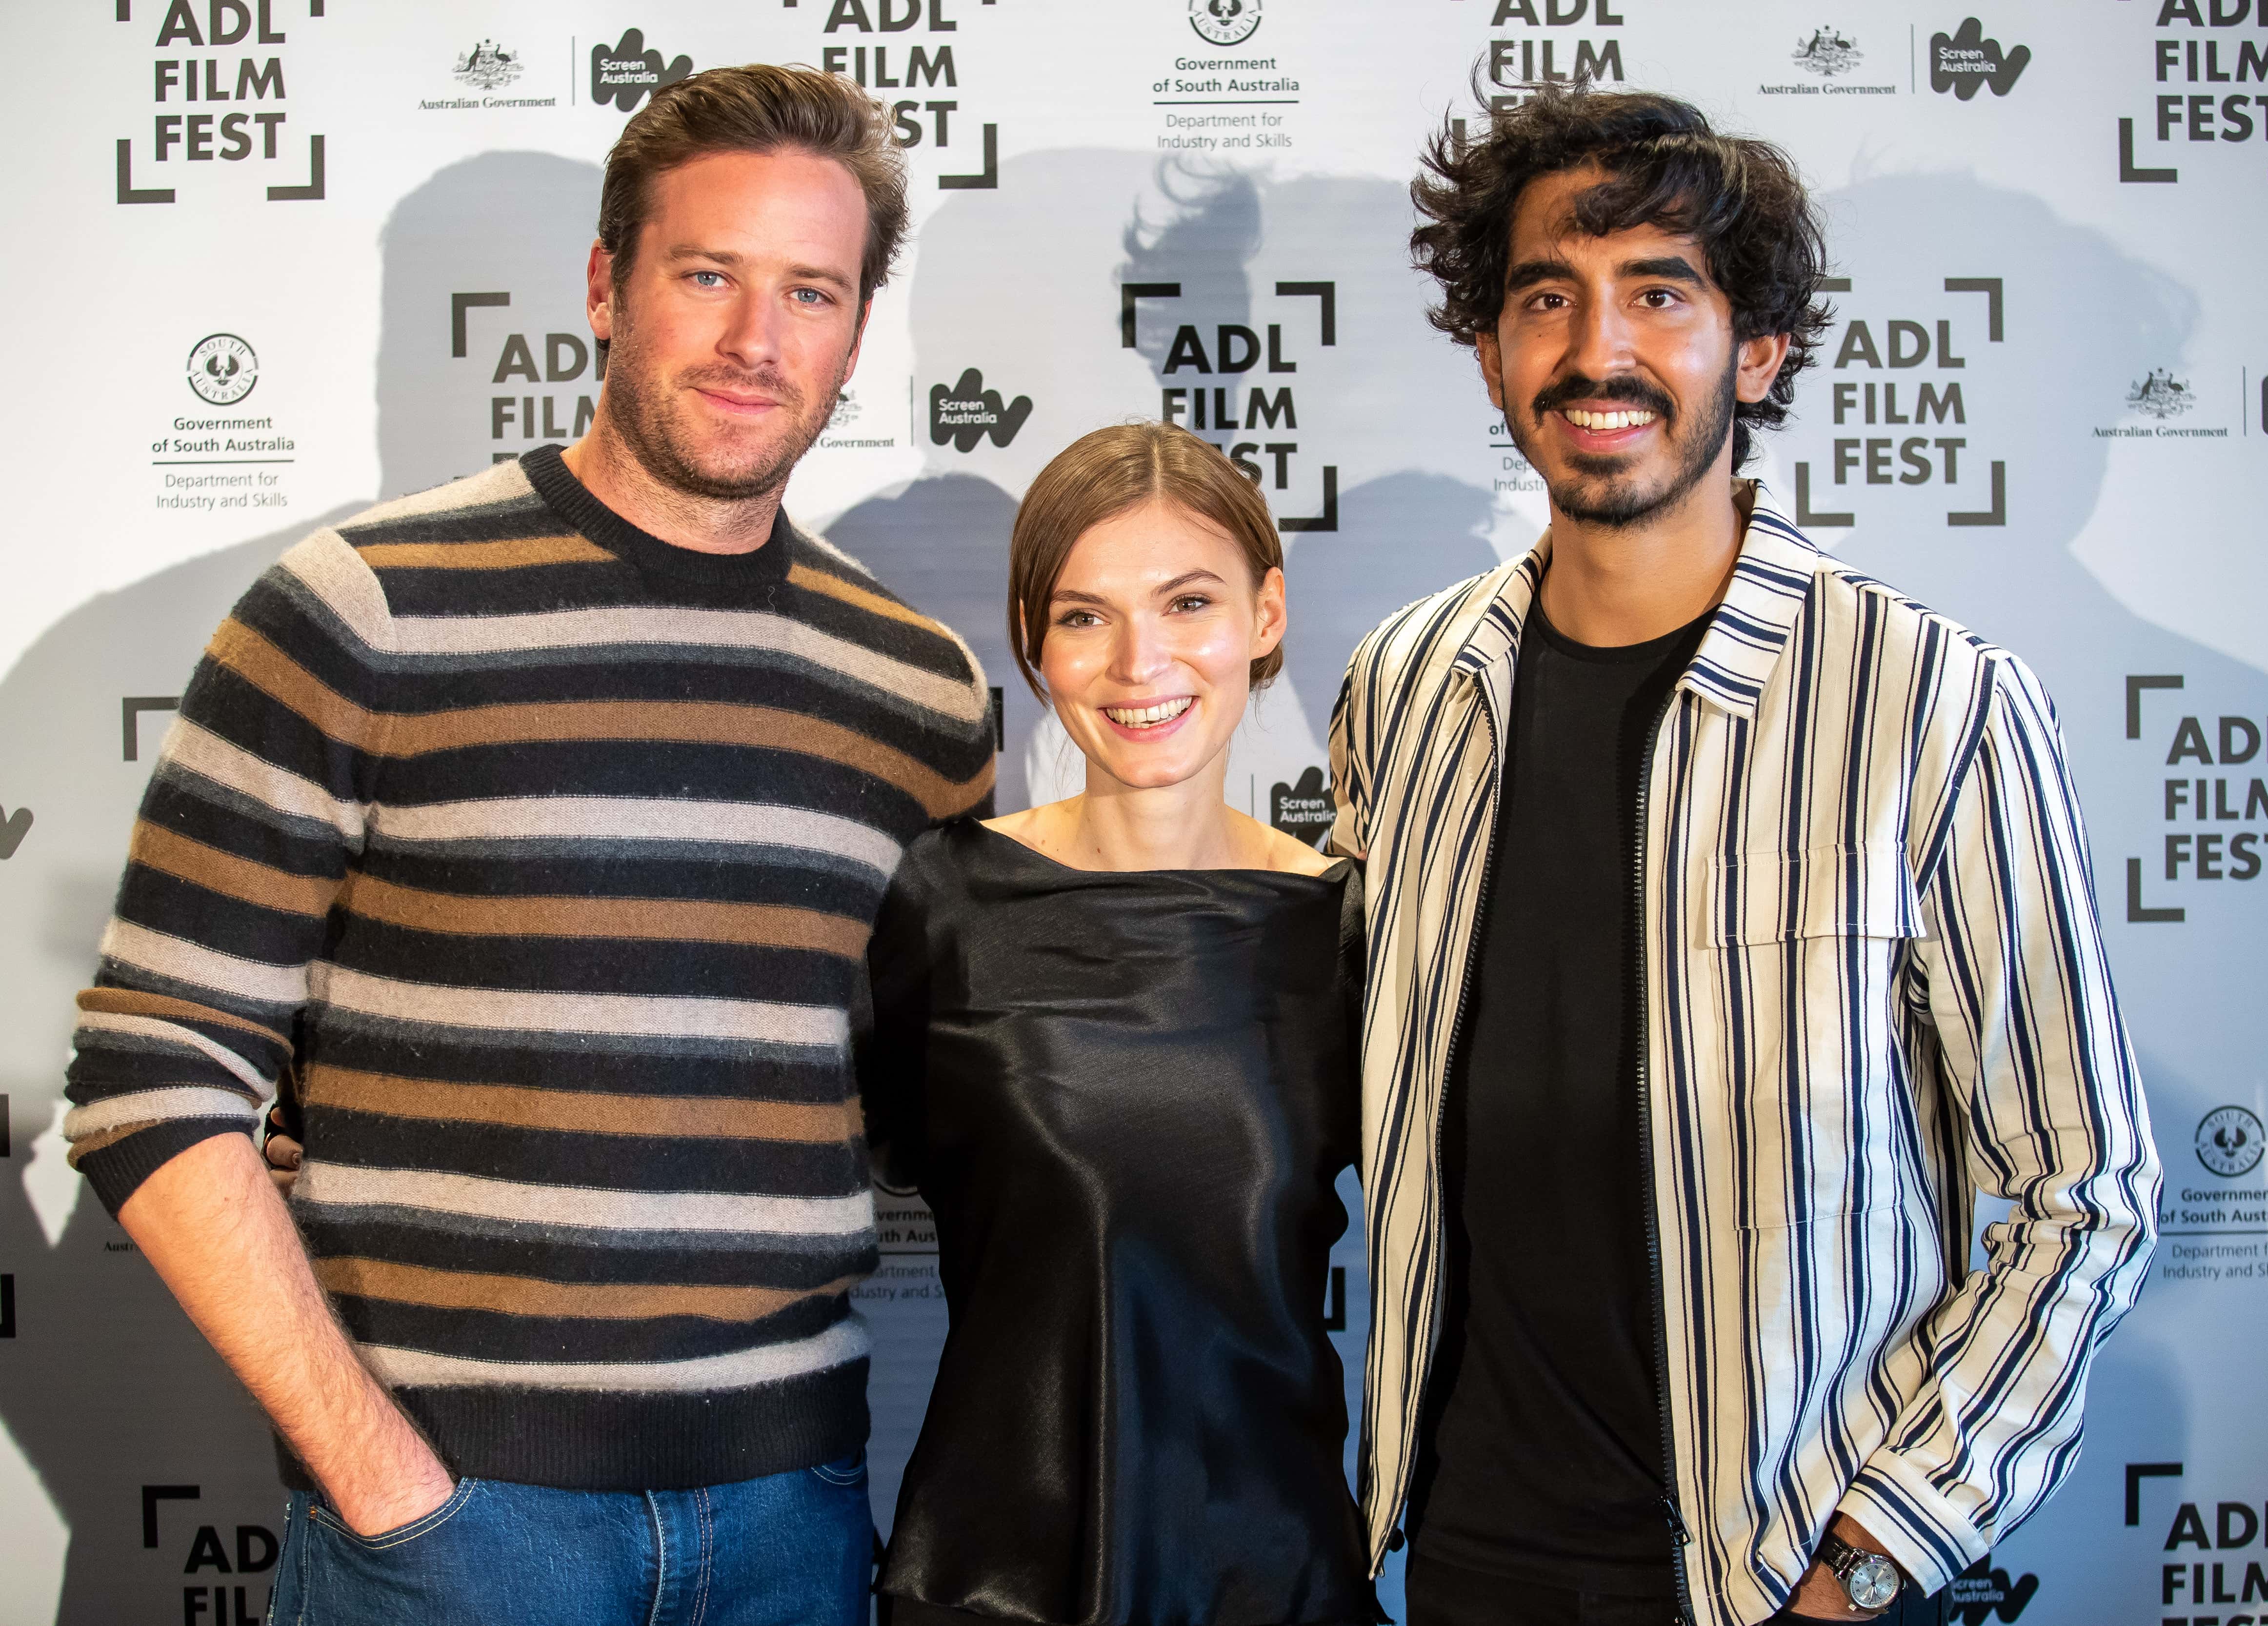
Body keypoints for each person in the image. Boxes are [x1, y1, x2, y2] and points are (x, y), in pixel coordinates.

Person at [62, 65, 992, 1626]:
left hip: (799, 1521)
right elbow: (153, 1067)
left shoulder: (917, 693)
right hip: (449, 1520)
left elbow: (933, 1106)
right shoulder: (362, 607)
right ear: (605, 285)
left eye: (809, 292)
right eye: (708, 274)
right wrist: (385, 1479)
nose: (756, 341)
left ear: (855, 326)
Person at [1327, 88, 2161, 1626]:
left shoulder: (1932, 700)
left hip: (1779, 1579)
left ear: (1757, 349)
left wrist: (1868, 1557)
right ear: (1494, 348)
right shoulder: (1406, 686)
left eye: (1661, 293)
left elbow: (2083, 1188)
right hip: (1460, 1563)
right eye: (1546, 298)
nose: (1599, 350)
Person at [859, 422, 1381, 1626]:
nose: (1139, 661)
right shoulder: (944, 907)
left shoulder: (1347, 929)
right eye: (1084, 615)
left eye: (1188, 601)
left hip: (1275, 1578)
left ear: (1265, 617)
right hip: (990, 1583)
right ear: (1035, 648)